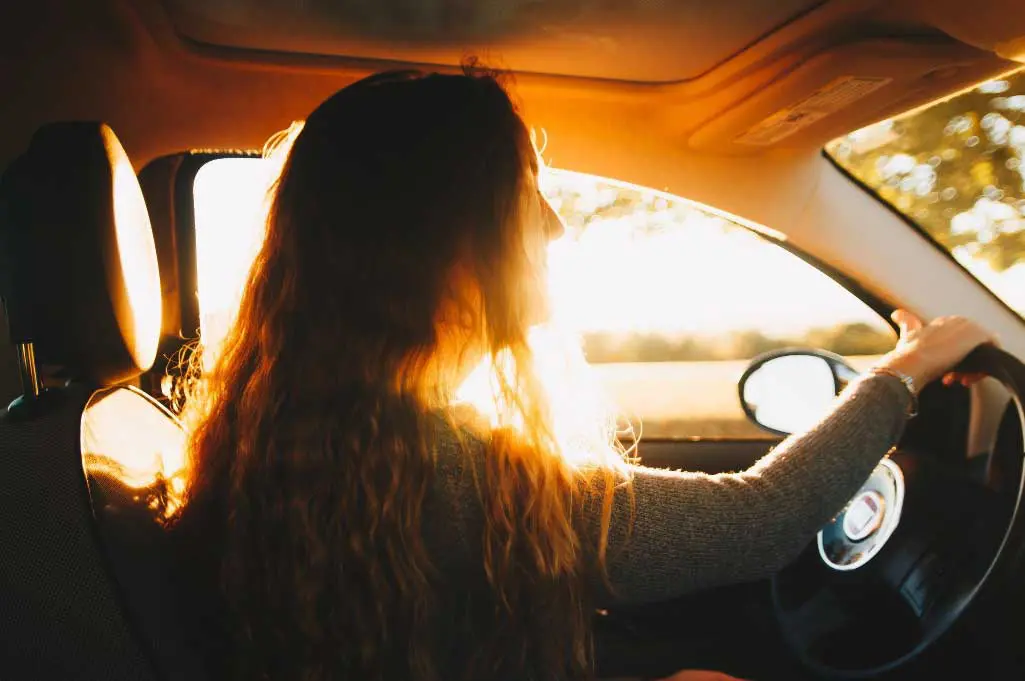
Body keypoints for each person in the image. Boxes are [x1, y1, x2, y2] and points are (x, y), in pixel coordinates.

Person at [168, 66, 995, 681]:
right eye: (526, 197)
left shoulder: (289, 439)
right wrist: (907, 366)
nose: (556, 228)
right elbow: (761, 521)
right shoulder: (459, 477)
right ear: (443, 244)